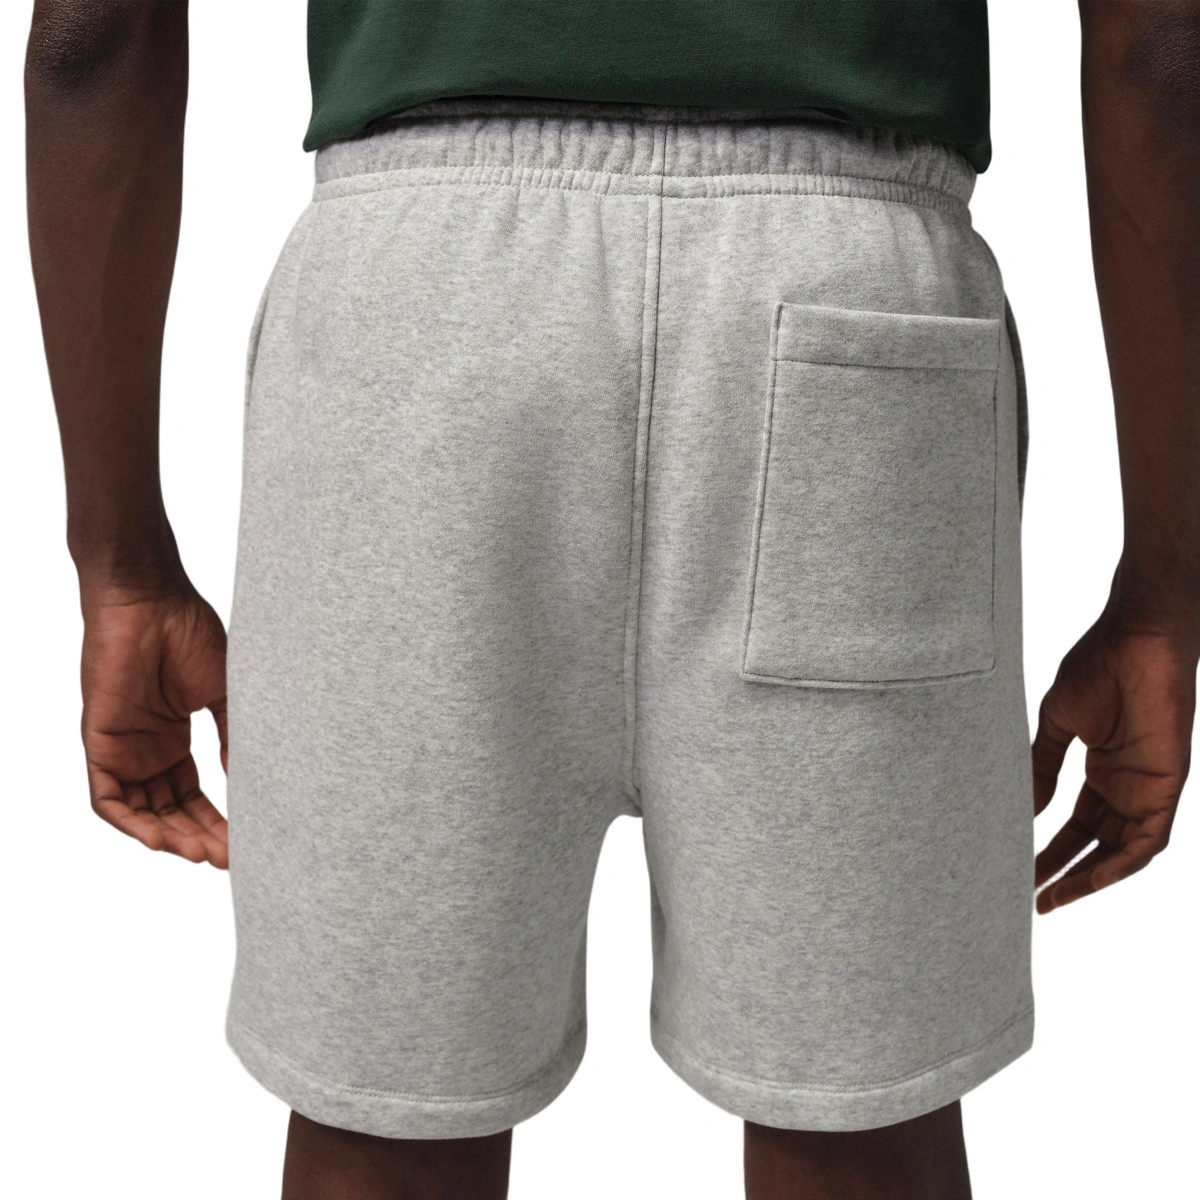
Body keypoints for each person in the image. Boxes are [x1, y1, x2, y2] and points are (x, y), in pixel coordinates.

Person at [24, 2, 1198, 1197]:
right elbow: (1161, 51)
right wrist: (1163, 596)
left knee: (386, 1122)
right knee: (857, 1117)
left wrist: (121, 567)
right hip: (851, 298)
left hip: (418, 319)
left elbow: (94, 38)